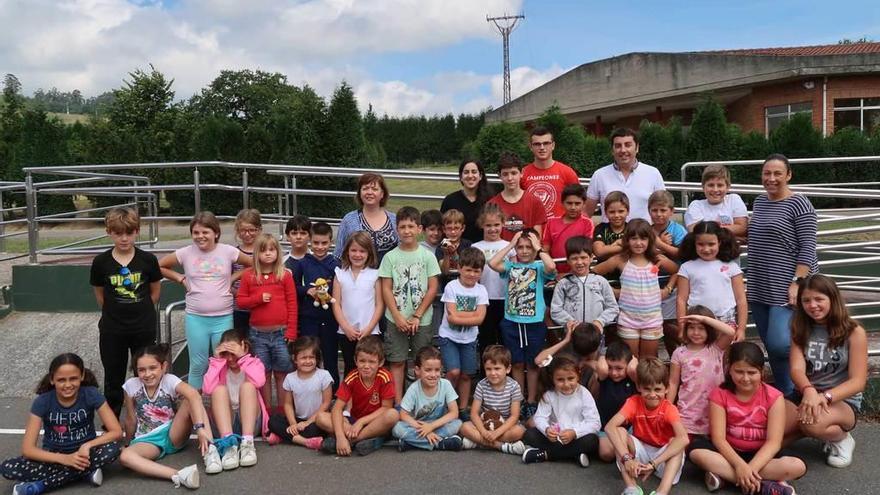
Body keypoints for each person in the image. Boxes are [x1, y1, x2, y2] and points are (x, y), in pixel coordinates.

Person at [689, 342, 806, 494]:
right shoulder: (719, 394)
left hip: (762, 454)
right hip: (729, 453)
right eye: (739, 371)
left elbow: (773, 442)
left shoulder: (774, 397)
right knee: (696, 453)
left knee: (797, 466)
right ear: (729, 369)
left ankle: (728, 477)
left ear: (762, 372)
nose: (745, 378)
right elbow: (719, 439)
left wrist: (750, 469)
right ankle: (764, 486)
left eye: (751, 373)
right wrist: (739, 466)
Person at [1, 354, 123, 495]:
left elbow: (116, 431)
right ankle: (84, 472)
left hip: (86, 455)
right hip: (54, 457)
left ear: (82, 376)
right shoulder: (43, 401)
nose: (68, 385)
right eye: (61, 380)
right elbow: (28, 450)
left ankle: (40, 485)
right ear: (52, 379)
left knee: (113, 449)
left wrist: (87, 445)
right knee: (8, 468)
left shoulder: (91, 394)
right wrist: (65, 459)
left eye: (73, 378)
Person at [747, 154, 818, 395]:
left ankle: (805, 386)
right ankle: (786, 395)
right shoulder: (759, 202)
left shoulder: (800, 204)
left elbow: (808, 245)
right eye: (767, 173)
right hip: (760, 283)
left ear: (788, 175)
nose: (771, 178)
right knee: (770, 343)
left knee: (780, 343)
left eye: (778, 173)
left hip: (788, 284)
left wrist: (798, 282)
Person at [159, 211, 253, 389]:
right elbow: (161, 265)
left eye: (205, 232)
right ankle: (195, 408)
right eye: (196, 232)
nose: (200, 236)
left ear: (215, 233)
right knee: (198, 364)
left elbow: (252, 265)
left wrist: (232, 278)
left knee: (225, 362)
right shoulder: (185, 253)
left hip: (223, 317)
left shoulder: (228, 251)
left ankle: (224, 405)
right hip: (196, 318)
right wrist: (181, 278)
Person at [785, 274, 867, 468]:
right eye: (806, 300)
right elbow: (796, 369)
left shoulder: (855, 332)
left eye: (819, 299)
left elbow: (858, 382)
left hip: (841, 401)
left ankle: (842, 439)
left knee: (810, 423)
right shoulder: (799, 327)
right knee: (773, 426)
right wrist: (809, 390)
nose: (812, 305)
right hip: (806, 395)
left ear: (833, 299)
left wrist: (824, 397)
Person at [89, 207, 162, 417]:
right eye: (118, 233)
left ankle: (147, 415)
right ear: (109, 232)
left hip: (143, 327)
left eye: (129, 233)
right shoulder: (101, 262)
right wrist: (116, 312)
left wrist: (142, 310)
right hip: (113, 329)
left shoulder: (148, 260)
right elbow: (100, 295)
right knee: (114, 375)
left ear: (137, 231)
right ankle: (112, 418)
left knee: (146, 372)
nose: (124, 238)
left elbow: (155, 292)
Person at [118, 345, 212, 488]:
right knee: (125, 457)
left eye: (152, 368)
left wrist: (199, 428)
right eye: (141, 370)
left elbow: (194, 395)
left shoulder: (169, 380)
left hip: (173, 433)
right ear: (136, 371)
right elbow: (131, 419)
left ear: (164, 366)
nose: (147, 374)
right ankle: (179, 474)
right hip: (148, 441)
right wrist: (128, 444)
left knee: (190, 400)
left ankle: (211, 450)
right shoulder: (131, 385)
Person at [488, 229, 556, 418]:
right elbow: (492, 263)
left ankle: (532, 400)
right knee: (517, 363)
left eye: (528, 247)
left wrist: (539, 248)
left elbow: (551, 268)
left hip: (534, 322)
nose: (525, 251)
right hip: (512, 322)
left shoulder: (539, 267)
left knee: (533, 363)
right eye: (521, 247)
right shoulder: (510, 266)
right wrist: (510, 245)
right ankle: (518, 399)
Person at [378, 206, 441, 402]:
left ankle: (419, 400)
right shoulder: (390, 257)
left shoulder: (427, 256)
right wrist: (397, 316)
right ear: (397, 229)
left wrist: (417, 315)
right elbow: (386, 288)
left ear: (419, 229)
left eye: (411, 226)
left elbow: (432, 288)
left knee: (421, 361)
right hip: (395, 318)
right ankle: (398, 402)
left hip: (421, 319)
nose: (407, 231)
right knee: (397, 361)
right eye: (402, 227)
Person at [593, 219, 679, 359]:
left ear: (650, 240)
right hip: (628, 319)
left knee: (649, 359)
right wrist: (612, 292)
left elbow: (678, 272)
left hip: (652, 319)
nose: (638, 243)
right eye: (634, 238)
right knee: (631, 360)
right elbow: (595, 274)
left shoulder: (657, 259)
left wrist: (667, 289)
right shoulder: (620, 259)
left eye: (643, 238)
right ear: (627, 240)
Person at [605, 358, 689, 495]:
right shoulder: (633, 402)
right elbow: (610, 427)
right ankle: (632, 488)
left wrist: (654, 463)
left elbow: (684, 439)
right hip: (641, 452)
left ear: (666, 388)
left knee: (677, 442)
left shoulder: (669, 408)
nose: (652, 394)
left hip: (663, 458)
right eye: (647, 389)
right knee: (619, 431)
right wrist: (626, 457)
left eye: (657, 389)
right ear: (638, 387)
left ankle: (662, 492)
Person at [236, 233, 298, 410]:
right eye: (263, 250)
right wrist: (257, 298)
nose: (268, 254)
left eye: (272, 250)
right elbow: (241, 301)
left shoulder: (285, 275)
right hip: (258, 335)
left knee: (282, 373)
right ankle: (266, 413)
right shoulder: (249, 276)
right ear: (257, 254)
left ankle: (282, 411)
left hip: (281, 334)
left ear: (277, 252)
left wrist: (291, 331)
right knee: (262, 375)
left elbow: (293, 304)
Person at [316, 336, 399, 457]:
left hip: (374, 422)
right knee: (321, 418)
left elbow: (386, 408)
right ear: (356, 361)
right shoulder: (352, 377)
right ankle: (351, 440)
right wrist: (340, 437)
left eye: (371, 362)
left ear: (380, 362)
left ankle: (352, 440)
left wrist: (361, 422)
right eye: (362, 361)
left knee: (393, 415)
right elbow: (337, 408)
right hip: (352, 423)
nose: (366, 366)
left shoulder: (385, 377)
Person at [202, 330, 269, 471]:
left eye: (233, 353)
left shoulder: (254, 363)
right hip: (225, 422)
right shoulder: (219, 365)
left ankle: (247, 444)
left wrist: (243, 357)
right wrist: (217, 360)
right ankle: (228, 446)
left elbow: (259, 381)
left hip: (250, 423)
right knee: (218, 390)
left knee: (248, 386)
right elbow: (207, 389)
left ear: (244, 348)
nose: (231, 358)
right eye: (226, 353)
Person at [521, 354, 601, 467]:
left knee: (592, 441)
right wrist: (547, 430)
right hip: (555, 437)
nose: (566, 384)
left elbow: (595, 422)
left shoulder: (584, 394)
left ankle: (545, 454)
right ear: (553, 379)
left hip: (577, 437)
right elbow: (539, 417)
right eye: (560, 380)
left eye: (571, 378)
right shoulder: (549, 395)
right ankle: (574, 454)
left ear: (578, 376)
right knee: (529, 434)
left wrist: (574, 432)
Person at [667, 307, 735, 438]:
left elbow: (731, 332)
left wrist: (704, 319)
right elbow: (673, 382)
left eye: (701, 328)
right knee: (686, 444)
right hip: (688, 409)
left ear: (709, 330)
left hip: (714, 408)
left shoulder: (716, 348)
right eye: (692, 328)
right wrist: (668, 406)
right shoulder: (679, 353)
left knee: (715, 440)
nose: (696, 332)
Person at [437, 247, 489, 416]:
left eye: (476, 271)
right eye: (468, 270)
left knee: (466, 375)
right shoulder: (452, 287)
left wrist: (462, 315)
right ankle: (445, 403)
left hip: (469, 339)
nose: (472, 274)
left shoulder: (481, 290)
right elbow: (451, 317)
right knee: (453, 372)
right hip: (449, 337)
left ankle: (463, 408)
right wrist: (472, 314)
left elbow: (480, 319)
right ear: (459, 268)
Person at [676, 221, 747, 342]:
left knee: (724, 357)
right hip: (697, 322)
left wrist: (741, 329)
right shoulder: (687, 267)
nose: (706, 249)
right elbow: (681, 300)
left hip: (726, 321)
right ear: (694, 244)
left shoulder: (731, 267)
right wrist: (682, 326)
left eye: (711, 244)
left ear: (719, 242)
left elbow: (741, 299)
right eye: (701, 244)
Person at [293, 221, 341, 384]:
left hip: (330, 319)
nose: (320, 247)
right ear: (309, 242)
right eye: (316, 243)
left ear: (331, 242)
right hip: (309, 318)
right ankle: (309, 388)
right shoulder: (302, 264)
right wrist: (307, 290)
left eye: (324, 243)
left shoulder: (336, 265)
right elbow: (294, 287)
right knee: (309, 354)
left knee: (330, 355)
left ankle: (332, 390)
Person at [584, 127, 666, 223]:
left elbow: (663, 209)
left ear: (637, 148)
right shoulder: (599, 175)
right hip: (610, 237)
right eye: (618, 146)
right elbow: (586, 213)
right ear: (612, 150)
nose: (623, 150)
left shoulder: (653, 173)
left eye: (628, 145)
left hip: (643, 236)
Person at [332, 232, 384, 377]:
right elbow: (336, 304)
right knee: (350, 366)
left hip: (370, 332)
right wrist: (346, 328)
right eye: (353, 250)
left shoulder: (375, 275)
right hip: (346, 332)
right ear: (347, 251)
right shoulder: (340, 274)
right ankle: (350, 399)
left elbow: (379, 305)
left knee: (370, 368)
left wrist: (368, 329)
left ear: (369, 253)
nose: (357, 255)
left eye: (362, 251)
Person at [393, 346, 464, 451]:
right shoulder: (414, 388)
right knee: (397, 428)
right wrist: (424, 430)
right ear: (417, 370)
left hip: (438, 425)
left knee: (458, 424)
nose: (433, 375)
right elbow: (403, 414)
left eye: (437, 370)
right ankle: (440, 443)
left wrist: (431, 427)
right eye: (428, 370)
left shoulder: (446, 384)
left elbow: (454, 413)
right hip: (418, 427)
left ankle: (412, 444)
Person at [267, 337, 333, 450]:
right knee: (272, 421)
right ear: (295, 359)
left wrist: (307, 423)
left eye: (311, 357)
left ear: (317, 359)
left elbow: (326, 403)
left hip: (316, 420)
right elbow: (287, 404)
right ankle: (304, 441)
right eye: (303, 358)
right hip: (297, 419)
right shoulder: (290, 378)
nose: (308, 361)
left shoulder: (324, 375)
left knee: (315, 430)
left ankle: (283, 437)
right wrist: (293, 424)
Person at [460, 345, 527, 454]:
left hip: (505, 425)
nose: (493, 373)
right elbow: (474, 414)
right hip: (486, 424)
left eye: (497, 368)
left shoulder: (514, 386)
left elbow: (514, 416)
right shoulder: (481, 385)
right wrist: (483, 431)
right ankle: (500, 446)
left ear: (508, 369)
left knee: (519, 431)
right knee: (464, 427)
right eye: (488, 369)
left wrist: (497, 433)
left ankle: (479, 442)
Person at [548, 236, 618, 338]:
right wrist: (571, 323)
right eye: (574, 258)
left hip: (596, 335)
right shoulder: (563, 284)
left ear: (591, 258)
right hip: (571, 336)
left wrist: (600, 322)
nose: (579, 262)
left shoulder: (601, 282)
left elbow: (613, 308)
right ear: (567, 260)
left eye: (583, 257)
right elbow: (555, 310)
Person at [648, 190, 687, 354]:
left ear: (672, 211)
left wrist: (659, 244)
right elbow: (643, 254)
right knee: (653, 329)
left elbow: (684, 255)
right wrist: (658, 246)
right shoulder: (646, 230)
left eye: (663, 210)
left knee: (670, 325)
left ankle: (686, 351)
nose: (658, 214)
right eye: (654, 210)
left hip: (674, 284)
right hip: (651, 285)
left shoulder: (678, 230)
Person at [472, 203, 514, 353]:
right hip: (484, 299)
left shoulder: (509, 246)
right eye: (488, 225)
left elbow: (515, 273)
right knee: (486, 338)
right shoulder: (476, 247)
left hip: (505, 298)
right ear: (481, 225)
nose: (492, 229)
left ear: (503, 223)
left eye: (496, 224)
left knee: (505, 338)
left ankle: (504, 371)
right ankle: (485, 373)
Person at [334, 173, 398, 262]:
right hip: (357, 274)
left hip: (389, 275)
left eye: (374, 189)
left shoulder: (394, 220)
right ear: (360, 193)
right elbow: (338, 255)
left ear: (382, 194)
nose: (369, 192)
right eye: (365, 189)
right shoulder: (349, 220)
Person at [521, 126, 581, 219]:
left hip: (561, 231)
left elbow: (578, 203)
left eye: (546, 143)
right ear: (530, 147)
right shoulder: (522, 174)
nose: (542, 147)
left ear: (553, 145)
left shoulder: (567, 172)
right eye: (537, 144)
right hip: (532, 231)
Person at [592, 342, 638, 462]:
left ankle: (622, 450)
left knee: (634, 449)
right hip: (606, 425)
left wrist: (632, 359)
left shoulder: (633, 377)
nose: (614, 373)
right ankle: (621, 450)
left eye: (619, 368)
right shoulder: (604, 376)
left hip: (630, 427)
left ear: (628, 366)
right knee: (606, 454)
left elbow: (634, 368)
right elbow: (601, 367)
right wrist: (602, 356)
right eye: (610, 367)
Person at [488, 152, 547, 241]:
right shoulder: (491, 205)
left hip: (527, 254)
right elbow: (489, 239)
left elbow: (537, 238)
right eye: (505, 174)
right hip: (502, 254)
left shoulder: (535, 202)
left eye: (514, 173)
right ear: (499, 175)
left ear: (522, 173)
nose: (510, 178)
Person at [542, 184, 595, 274]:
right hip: (555, 272)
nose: (573, 207)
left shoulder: (587, 223)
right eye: (569, 203)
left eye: (577, 204)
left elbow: (587, 250)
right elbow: (545, 250)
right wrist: (553, 270)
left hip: (579, 271)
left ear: (584, 204)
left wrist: (570, 274)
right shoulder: (551, 222)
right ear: (562, 203)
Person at [684, 164, 748, 237]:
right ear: (703, 187)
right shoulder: (695, 205)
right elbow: (697, 233)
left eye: (720, 185)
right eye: (710, 185)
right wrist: (731, 235)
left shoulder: (734, 199)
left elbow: (742, 228)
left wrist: (709, 229)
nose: (715, 190)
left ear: (727, 187)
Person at [442, 159, 493, 242]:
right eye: (466, 172)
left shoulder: (490, 200)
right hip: (457, 250)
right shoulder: (450, 201)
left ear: (480, 176)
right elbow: (443, 229)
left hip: (484, 249)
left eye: (474, 172)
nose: (470, 175)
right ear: (461, 177)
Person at [231, 209, 262, 333]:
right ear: (238, 231)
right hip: (239, 308)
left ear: (259, 229)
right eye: (243, 230)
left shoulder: (266, 251)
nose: (247, 234)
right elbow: (227, 281)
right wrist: (239, 294)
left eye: (252, 230)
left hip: (261, 308)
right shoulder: (232, 253)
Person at [591, 191, 629, 263]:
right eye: (612, 212)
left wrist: (608, 249)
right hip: (604, 273)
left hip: (627, 271)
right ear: (605, 213)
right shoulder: (601, 228)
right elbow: (599, 251)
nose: (616, 215)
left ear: (628, 211)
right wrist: (625, 246)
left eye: (621, 211)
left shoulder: (632, 228)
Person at [436, 208, 473, 275]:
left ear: (463, 228)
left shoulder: (468, 245)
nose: (453, 232)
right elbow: (445, 272)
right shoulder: (441, 247)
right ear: (444, 229)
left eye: (456, 228)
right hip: (446, 283)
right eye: (449, 228)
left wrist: (454, 254)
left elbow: (467, 269)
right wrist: (446, 255)